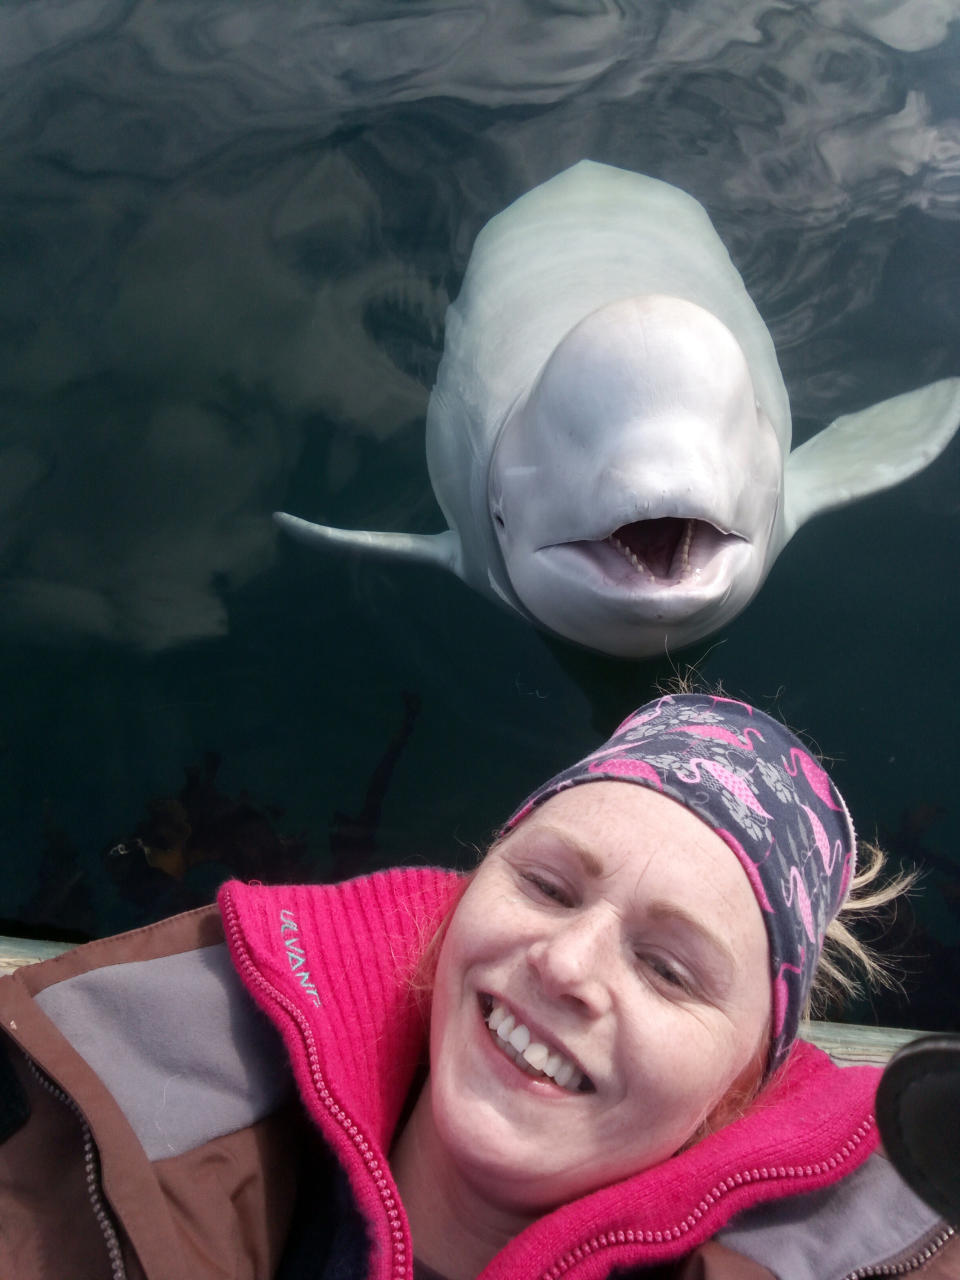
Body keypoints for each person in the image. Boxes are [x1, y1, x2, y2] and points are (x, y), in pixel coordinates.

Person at [1, 692, 957, 1279]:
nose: (566, 964)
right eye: (544, 886)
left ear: (743, 1084)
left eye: (669, 970)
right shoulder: (65, 1115)